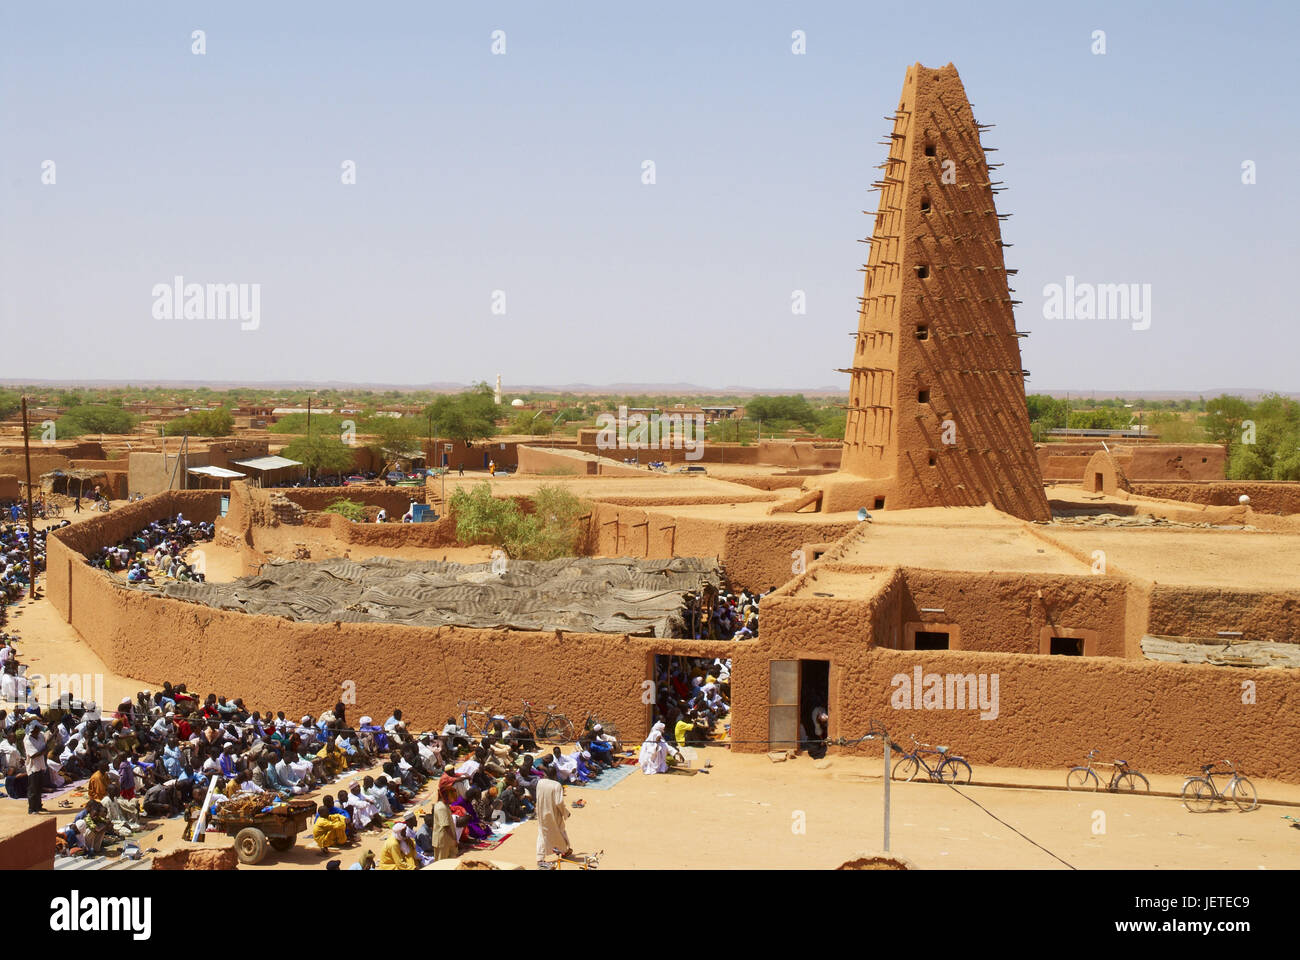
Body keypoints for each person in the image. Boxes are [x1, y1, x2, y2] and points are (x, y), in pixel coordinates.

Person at [534, 769, 571, 869]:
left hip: (541, 812)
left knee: (542, 833)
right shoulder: (556, 785)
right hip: (553, 813)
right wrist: (566, 813)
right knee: (560, 830)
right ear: (555, 775)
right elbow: (559, 802)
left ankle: (540, 858)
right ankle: (565, 850)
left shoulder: (540, 782)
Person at [24, 718, 48, 814]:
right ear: (32, 730)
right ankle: (32, 808)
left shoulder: (41, 736)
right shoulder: (27, 740)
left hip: (41, 765)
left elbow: (45, 745)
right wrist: (43, 752)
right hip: (33, 767)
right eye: (36, 730)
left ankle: (38, 806)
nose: (38, 731)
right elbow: (33, 755)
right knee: (33, 789)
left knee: (39, 787)